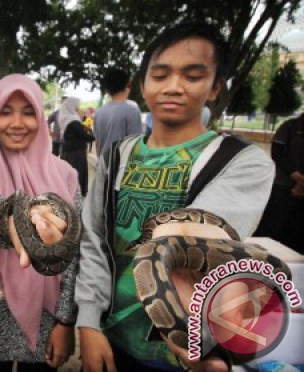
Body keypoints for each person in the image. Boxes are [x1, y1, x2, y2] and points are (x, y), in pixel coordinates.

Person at [75, 23, 274, 372]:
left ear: (215, 88)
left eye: (193, 75)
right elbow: (93, 238)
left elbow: (198, 233)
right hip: (114, 337)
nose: (173, 87)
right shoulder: (117, 156)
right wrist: (88, 321)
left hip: (185, 351)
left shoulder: (243, 162)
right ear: (142, 84)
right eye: (161, 74)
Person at [0, 74, 79, 371]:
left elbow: (75, 256)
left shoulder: (65, 175)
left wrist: (65, 320)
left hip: (47, 315)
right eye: (6, 112)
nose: (17, 123)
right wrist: (12, 219)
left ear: (40, 116)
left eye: (28, 112)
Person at [254, 112, 304, 254]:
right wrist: (296, 177)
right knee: (273, 228)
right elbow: (278, 152)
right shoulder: (290, 127)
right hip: (283, 186)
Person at [92, 68, 142, 158]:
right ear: (128, 84)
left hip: (103, 165)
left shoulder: (99, 112)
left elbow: (97, 144)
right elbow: (137, 147)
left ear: (107, 89)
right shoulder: (132, 111)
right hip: (122, 168)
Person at [58, 97, 94, 196]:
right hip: (75, 153)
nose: (78, 110)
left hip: (69, 152)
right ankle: (75, 194)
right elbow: (83, 136)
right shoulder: (73, 121)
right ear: (72, 107)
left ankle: (71, 192)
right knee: (76, 174)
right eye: (76, 108)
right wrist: (95, 136)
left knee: (70, 173)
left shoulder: (67, 118)